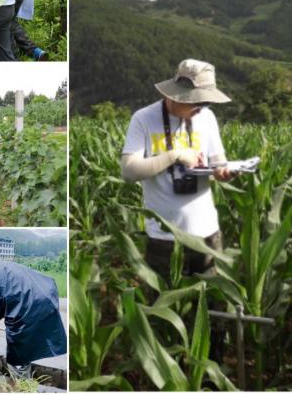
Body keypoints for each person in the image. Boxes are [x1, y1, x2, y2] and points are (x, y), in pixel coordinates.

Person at [121, 58, 236, 360]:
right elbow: (130, 170)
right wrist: (174, 155)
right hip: (163, 236)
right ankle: (165, 369)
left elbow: (218, 159)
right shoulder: (144, 119)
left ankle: (212, 368)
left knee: (213, 306)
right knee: (162, 308)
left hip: (206, 233)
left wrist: (222, 172)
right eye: (195, 102)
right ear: (175, 95)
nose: (200, 108)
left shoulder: (207, 118)